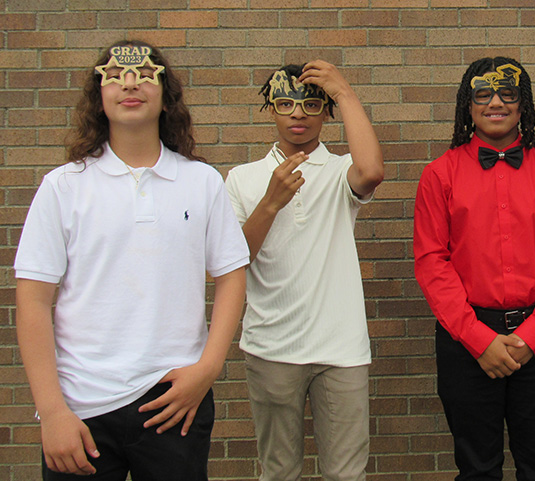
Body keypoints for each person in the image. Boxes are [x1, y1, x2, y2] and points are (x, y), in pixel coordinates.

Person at [14, 40, 249, 480]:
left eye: (144, 75)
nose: (130, 84)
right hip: (80, 408)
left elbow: (232, 275)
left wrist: (208, 368)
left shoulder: (202, 182)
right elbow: (32, 301)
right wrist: (51, 412)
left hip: (174, 401)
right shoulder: (62, 187)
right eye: (115, 76)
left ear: (165, 94)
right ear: (98, 96)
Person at [413, 57, 535, 480]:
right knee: (477, 470)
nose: (496, 102)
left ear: (523, 104)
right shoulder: (439, 175)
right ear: (467, 104)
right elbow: (431, 261)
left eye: (508, 93)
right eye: (483, 94)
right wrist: (478, 340)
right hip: (466, 343)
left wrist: (531, 337)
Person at [225, 61, 383, 481]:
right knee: (278, 473)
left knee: (347, 475)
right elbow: (233, 261)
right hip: (271, 348)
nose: (298, 114)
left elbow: (371, 172)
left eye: (312, 104)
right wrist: (270, 202)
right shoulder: (242, 178)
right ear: (271, 109)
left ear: (326, 112)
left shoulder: (338, 171)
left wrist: (344, 91)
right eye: (285, 104)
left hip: (341, 349)